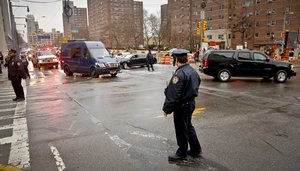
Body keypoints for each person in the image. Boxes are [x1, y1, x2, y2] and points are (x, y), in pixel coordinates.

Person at [163, 49, 202, 162]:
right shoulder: (192, 71)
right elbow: (197, 83)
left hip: (182, 106)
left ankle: (182, 152)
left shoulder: (179, 74)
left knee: (181, 129)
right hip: (190, 103)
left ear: (176, 59)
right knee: (188, 126)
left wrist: (167, 109)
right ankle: (195, 148)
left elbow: (173, 94)